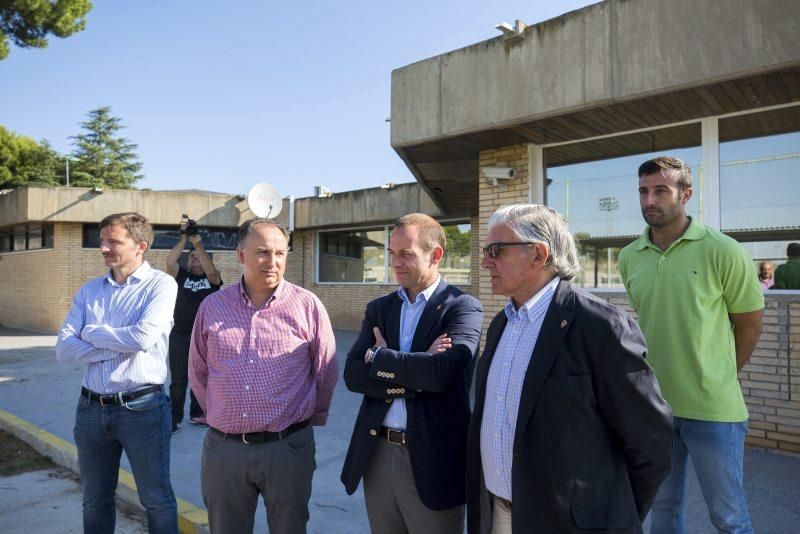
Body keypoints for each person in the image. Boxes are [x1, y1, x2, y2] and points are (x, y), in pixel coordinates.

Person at [467, 204, 672, 534]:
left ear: (538, 254)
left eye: (497, 250)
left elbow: (651, 440)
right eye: (486, 250)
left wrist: (612, 514)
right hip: (499, 515)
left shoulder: (601, 326)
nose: (485, 260)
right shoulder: (502, 323)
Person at [619, 156, 764, 534]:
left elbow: (748, 326)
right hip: (656, 407)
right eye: (643, 191)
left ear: (685, 194)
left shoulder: (723, 250)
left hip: (713, 410)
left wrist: (721, 377)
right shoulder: (629, 256)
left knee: (728, 517)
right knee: (663, 509)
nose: (650, 200)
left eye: (661, 191)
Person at [189, 217, 338, 534]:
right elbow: (198, 372)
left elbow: (325, 370)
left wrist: (308, 419)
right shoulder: (212, 307)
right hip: (224, 451)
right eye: (262, 253)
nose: (273, 262)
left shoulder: (307, 306)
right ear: (240, 256)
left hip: (286, 450)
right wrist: (221, 414)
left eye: (280, 253)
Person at [341, 213, 483, 534]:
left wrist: (379, 356)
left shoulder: (462, 307)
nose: (396, 263)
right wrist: (413, 376)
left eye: (406, 254)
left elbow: (440, 375)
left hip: (434, 462)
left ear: (435, 255)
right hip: (377, 455)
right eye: (392, 253)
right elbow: (352, 375)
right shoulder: (379, 308)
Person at [56, 212, 178, 534]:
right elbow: (64, 349)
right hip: (90, 410)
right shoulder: (89, 291)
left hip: (143, 409)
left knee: (157, 500)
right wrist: (115, 342)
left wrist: (92, 333)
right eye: (102, 241)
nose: (104, 248)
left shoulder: (161, 286)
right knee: (94, 499)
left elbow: (142, 338)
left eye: (113, 241)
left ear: (140, 246)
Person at [165, 230, 221, 432]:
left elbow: (212, 272)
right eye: (191, 256)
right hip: (179, 334)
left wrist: (198, 245)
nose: (195, 257)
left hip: (205, 337)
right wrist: (184, 238)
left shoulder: (213, 278)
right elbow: (170, 262)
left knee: (202, 376)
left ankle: (198, 414)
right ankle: (173, 417)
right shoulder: (181, 276)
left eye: (198, 256)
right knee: (178, 379)